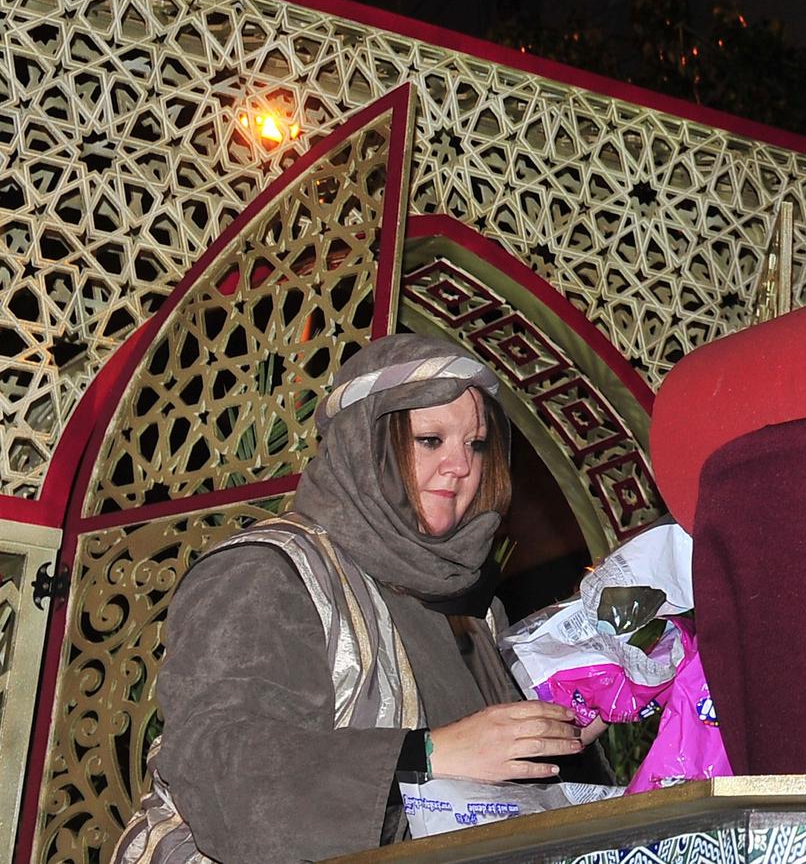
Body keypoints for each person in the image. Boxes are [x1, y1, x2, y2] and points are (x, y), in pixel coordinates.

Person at [114, 334, 600, 863]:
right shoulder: (265, 571)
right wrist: (429, 755)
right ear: (364, 448)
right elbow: (221, 766)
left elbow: (492, 791)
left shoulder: (473, 604)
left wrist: (563, 729)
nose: (461, 466)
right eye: (431, 440)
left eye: (476, 444)